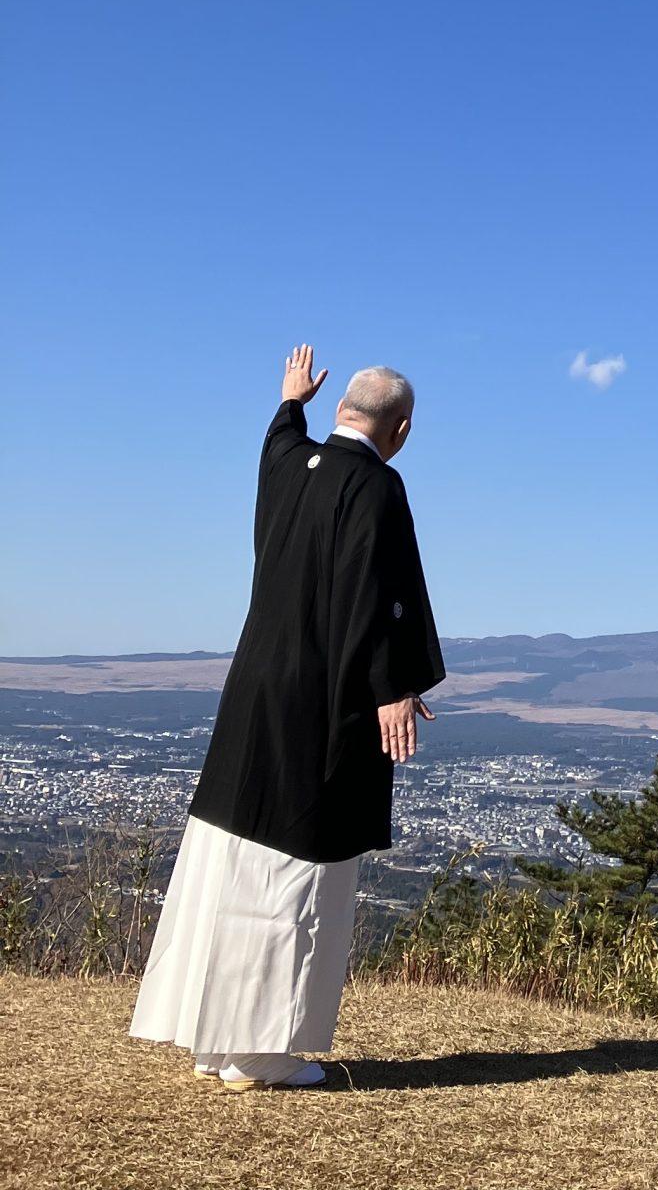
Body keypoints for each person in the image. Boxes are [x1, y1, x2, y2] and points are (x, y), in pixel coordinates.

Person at [130, 347, 444, 1089]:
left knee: (230, 861)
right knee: (296, 871)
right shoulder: (377, 486)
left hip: (253, 693)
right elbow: (376, 594)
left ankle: (212, 1039)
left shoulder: (285, 464)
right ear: (399, 428)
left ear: (342, 411)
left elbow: (281, 440)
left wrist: (289, 401)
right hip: (319, 702)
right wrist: (393, 685)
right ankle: (262, 1051)